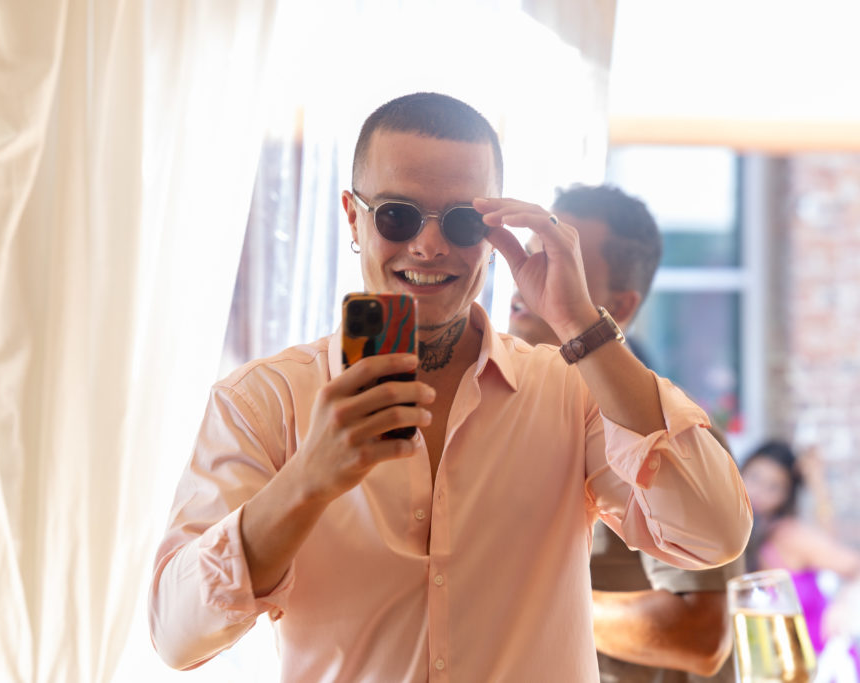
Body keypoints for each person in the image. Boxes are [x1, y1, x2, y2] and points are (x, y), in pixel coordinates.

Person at [148, 92, 752, 681]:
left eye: (461, 222)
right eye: (398, 215)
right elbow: (175, 635)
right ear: (353, 217)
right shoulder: (263, 402)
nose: (429, 245)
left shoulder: (570, 392)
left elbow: (714, 533)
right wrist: (306, 481)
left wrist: (581, 325)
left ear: (492, 233)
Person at [509, 183, 745, 682]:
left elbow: (701, 637)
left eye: (560, 263)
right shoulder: (514, 406)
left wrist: (525, 604)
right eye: (531, 255)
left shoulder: (666, 435)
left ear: (620, 305)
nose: (527, 278)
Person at [741, 439, 860, 668]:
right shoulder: (733, 539)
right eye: (755, 477)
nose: (759, 492)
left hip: (821, 666)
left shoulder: (787, 535)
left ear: (785, 496)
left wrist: (842, 604)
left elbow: (853, 565)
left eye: (774, 487)